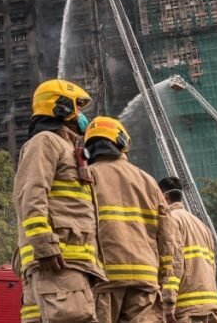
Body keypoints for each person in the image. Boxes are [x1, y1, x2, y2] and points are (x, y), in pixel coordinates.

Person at [13, 79, 104, 323]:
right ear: (62, 107)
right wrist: (44, 243)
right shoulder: (46, 142)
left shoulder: (67, 147)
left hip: (69, 261)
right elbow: (31, 194)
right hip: (60, 260)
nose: (82, 116)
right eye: (78, 107)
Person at [87, 117, 168, 323]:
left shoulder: (85, 177)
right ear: (122, 142)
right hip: (145, 283)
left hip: (104, 280)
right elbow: (168, 238)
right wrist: (164, 278)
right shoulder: (148, 181)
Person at [158, 177, 217, 323]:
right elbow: (213, 267)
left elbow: (173, 262)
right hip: (212, 308)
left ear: (165, 197)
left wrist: (168, 302)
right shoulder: (202, 226)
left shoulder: (170, 220)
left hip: (186, 310)